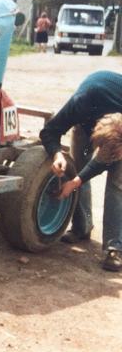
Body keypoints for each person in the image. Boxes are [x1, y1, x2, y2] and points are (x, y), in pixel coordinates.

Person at [40, 70, 122, 271]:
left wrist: (75, 182)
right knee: (76, 164)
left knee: (117, 184)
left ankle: (115, 247)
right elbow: (50, 131)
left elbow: (102, 162)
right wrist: (57, 155)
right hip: (89, 116)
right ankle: (81, 226)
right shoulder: (80, 104)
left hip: (115, 125)